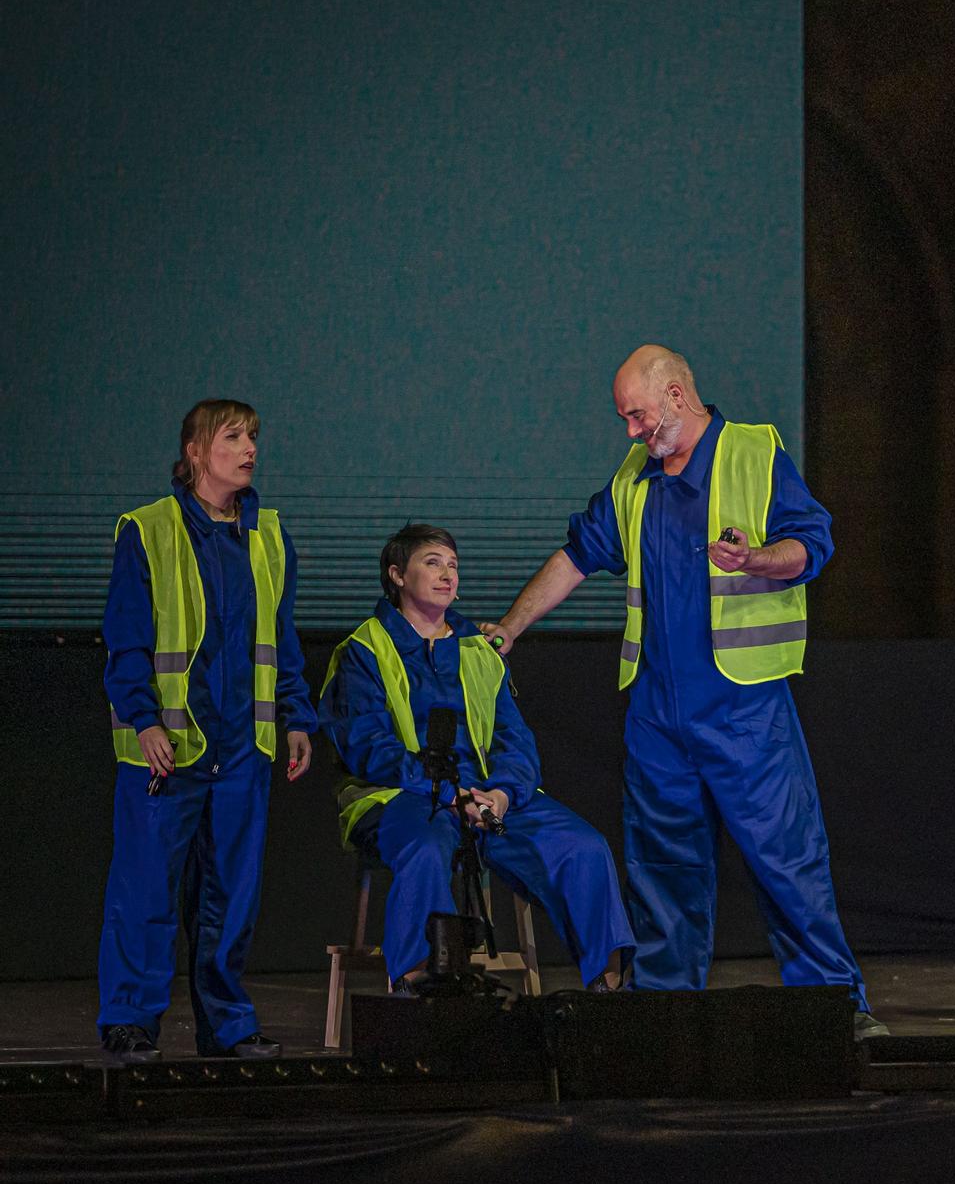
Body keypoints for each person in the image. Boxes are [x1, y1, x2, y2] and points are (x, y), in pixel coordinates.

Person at [480, 346, 882, 1037]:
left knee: (788, 865)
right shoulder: (634, 478)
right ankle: (665, 1021)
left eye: (637, 415)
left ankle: (837, 1010)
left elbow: (812, 543)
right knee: (663, 874)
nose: (632, 432)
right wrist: (513, 625)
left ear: (673, 396)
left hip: (745, 711)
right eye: (625, 419)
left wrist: (756, 558)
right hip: (660, 718)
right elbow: (578, 554)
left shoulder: (754, 452)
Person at [318, 525, 636, 992]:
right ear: (397, 575)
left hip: (487, 804)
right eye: (432, 562)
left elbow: (516, 740)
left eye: (453, 565)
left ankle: (607, 990)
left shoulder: (480, 650)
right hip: (404, 798)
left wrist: (503, 795)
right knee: (426, 848)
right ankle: (420, 990)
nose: (448, 574)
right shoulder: (363, 650)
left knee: (581, 847)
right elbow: (367, 746)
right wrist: (450, 794)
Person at [98, 400, 315, 1063]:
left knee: (230, 894)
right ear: (195, 450)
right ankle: (131, 1020)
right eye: (233, 436)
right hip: (170, 746)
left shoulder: (268, 535)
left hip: (241, 748)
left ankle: (226, 1024)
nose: (249, 447)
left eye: (253, 435)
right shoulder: (150, 529)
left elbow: (281, 639)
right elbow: (127, 639)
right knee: (146, 891)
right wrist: (142, 720)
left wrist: (296, 714)